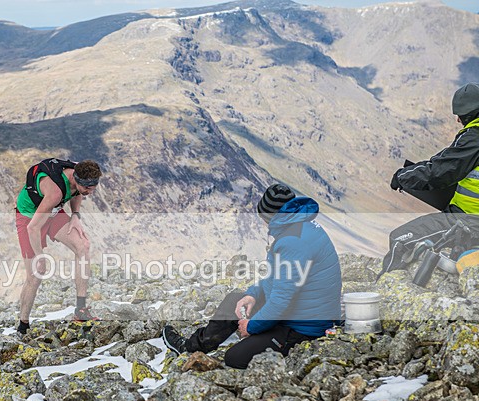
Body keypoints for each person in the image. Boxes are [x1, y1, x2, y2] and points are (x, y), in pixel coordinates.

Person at [162, 184, 342, 369]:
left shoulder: (291, 243)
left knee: (235, 358)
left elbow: (280, 302)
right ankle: (190, 348)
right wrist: (252, 295)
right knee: (236, 300)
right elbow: (278, 280)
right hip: (300, 312)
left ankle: (272, 342)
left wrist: (251, 326)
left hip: (304, 329)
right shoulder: (303, 225)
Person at [380, 82, 479, 274]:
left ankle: (384, 297)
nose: (457, 120)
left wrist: (402, 177)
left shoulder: (475, 137)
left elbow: (438, 172)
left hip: (470, 221)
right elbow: (444, 161)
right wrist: (414, 170)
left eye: (459, 115)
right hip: (463, 215)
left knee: (400, 239)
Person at [15, 158, 101, 335]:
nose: (91, 192)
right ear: (77, 181)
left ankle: (80, 310)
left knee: (82, 246)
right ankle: (23, 326)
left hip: (53, 211)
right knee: (35, 274)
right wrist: (40, 257)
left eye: (93, 187)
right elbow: (33, 228)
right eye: (89, 188)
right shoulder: (55, 192)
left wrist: (75, 215)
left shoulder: (77, 171)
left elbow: (77, 193)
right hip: (29, 216)